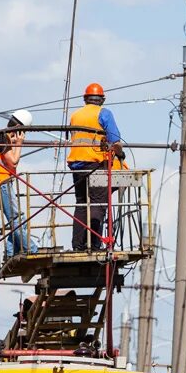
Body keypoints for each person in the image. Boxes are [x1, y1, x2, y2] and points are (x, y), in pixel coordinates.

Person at [67, 82, 124, 251]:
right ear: (102, 100)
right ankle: (94, 243)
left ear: (85, 99)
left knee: (82, 204)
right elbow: (115, 141)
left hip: (77, 165)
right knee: (98, 204)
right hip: (96, 164)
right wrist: (120, 153)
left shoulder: (75, 115)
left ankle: (78, 245)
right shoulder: (104, 113)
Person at [0, 109, 38, 259]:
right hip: (0, 182)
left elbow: (11, 164)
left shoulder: (1, 137)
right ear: (19, 129)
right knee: (16, 219)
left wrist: (16, 143)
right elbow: (13, 162)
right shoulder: (2, 137)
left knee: (17, 219)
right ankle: (32, 249)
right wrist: (20, 144)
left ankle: (12, 252)